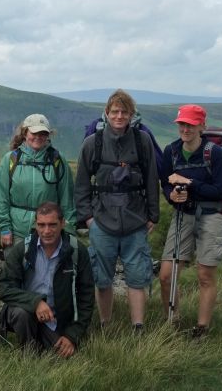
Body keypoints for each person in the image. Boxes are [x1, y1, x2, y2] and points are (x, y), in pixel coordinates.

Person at [74, 89, 159, 331]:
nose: (119, 116)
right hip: (102, 221)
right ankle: (106, 324)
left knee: (137, 276)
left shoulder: (142, 141)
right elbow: (81, 184)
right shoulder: (93, 143)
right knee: (102, 278)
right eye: (115, 111)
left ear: (131, 114)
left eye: (124, 112)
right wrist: (88, 218)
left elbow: (152, 179)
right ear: (107, 113)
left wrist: (153, 215)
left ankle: (138, 327)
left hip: (136, 220)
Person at [158, 104, 222, 338]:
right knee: (166, 275)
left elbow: (219, 191)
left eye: (191, 124)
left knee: (205, 275)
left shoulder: (214, 153)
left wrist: (189, 183)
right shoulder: (171, 151)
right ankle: (172, 323)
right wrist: (172, 195)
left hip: (211, 215)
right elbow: (166, 183)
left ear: (202, 126)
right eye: (182, 124)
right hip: (183, 214)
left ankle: (202, 329)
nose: (185, 129)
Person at [0, 201, 94, 357]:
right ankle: (28, 354)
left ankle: (46, 343)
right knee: (21, 314)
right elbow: (4, 288)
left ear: (62, 223)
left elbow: (86, 297)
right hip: (26, 311)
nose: (46, 231)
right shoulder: (22, 249)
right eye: (41, 225)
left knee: (63, 358)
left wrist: (72, 335)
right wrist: (36, 302)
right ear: (35, 224)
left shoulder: (77, 251)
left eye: (52, 225)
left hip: (57, 320)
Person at [0, 114, 77, 257]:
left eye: (43, 133)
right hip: (17, 232)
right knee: (15, 269)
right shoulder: (10, 159)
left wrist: (68, 230)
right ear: (25, 133)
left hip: (49, 232)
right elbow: (0, 197)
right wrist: (5, 228)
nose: (38, 137)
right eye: (34, 133)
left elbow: (67, 199)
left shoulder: (57, 160)